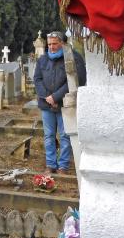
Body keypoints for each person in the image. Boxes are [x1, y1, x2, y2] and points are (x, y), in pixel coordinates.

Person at [33, 31, 86, 174]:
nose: (51, 47)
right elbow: (37, 79)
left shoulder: (74, 58)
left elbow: (76, 80)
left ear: (62, 43)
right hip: (46, 104)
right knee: (49, 135)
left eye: (54, 44)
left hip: (65, 104)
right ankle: (50, 164)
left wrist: (56, 97)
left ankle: (63, 166)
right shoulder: (43, 60)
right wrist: (47, 97)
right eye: (49, 44)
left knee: (65, 135)